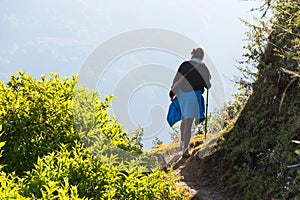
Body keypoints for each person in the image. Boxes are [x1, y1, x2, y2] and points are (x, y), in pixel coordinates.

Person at [169, 47, 211, 157]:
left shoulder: (185, 65)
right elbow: (208, 86)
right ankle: (185, 149)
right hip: (194, 95)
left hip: (182, 94)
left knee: (184, 119)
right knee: (189, 122)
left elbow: (176, 80)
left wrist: (173, 92)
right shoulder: (204, 68)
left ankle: (182, 143)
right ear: (202, 56)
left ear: (193, 55)